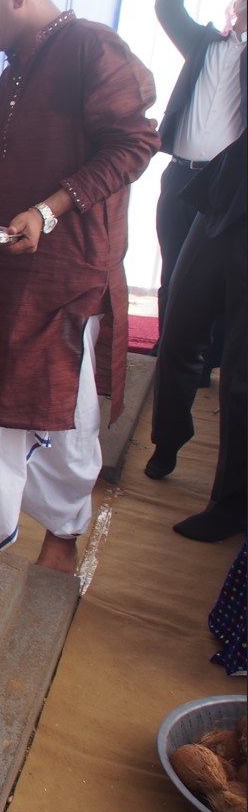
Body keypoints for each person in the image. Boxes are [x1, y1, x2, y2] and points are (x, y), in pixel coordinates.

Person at [0, 0, 160, 572]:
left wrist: (52, 210)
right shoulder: (15, 70)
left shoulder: (90, 46)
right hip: (5, 269)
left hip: (66, 276)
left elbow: (136, 142)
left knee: (62, 415)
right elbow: (8, 185)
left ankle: (61, 536)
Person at [146, 0, 246, 477]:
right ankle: (168, 437)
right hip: (181, 179)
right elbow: (169, 10)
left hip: (231, 193)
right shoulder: (207, 44)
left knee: (223, 305)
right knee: (175, 291)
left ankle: (212, 362)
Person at [149, 131, 245, 543]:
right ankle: (168, 439)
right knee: (177, 330)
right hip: (225, 192)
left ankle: (229, 507)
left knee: (241, 378)